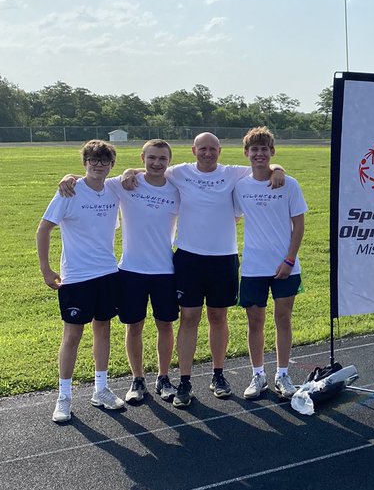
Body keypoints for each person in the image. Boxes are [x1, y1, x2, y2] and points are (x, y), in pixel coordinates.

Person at [120, 132, 283, 407]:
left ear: (220, 151)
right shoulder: (180, 172)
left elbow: (263, 166)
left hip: (223, 258)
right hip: (188, 258)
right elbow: (152, 167)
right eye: (202, 149)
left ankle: (218, 375)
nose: (207, 153)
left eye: (212, 149)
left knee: (218, 317)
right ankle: (185, 381)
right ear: (194, 150)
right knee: (189, 318)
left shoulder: (233, 173)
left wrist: (279, 169)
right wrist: (128, 170)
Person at [58, 138, 181, 404]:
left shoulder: (176, 188)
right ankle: (137, 380)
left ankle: (163, 377)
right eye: (151, 158)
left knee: (165, 326)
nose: (156, 163)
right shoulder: (123, 185)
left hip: (165, 270)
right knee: (133, 327)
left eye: (162, 158)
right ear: (142, 158)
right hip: (130, 271)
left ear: (169, 162)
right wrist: (70, 177)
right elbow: (94, 179)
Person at [36, 139, 125, 424]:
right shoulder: (69, 191)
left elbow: (140, 172)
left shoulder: (113, 188)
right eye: (92, 159)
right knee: (72, 335)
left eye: (103, 160)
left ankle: (101, 390)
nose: (97, 164)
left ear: (111, 164)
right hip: (76, 276)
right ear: (84, 162)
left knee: (103, 330)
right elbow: (44, 229)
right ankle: (64, 397)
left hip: (108, 273)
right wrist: (46, 270)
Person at [233, 127, 307, 401]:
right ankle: (258, 375)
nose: (259, 154)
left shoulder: (290, 184)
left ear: (272, 152)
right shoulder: (240, 186)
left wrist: (289, 259)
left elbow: (299, 225)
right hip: (253, 266)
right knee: (255, 322)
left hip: (285, 266)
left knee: (283, 319)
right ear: (247, 153)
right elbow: (233, 216)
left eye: (265, 149)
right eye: (254, 149)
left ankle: (283, 374)